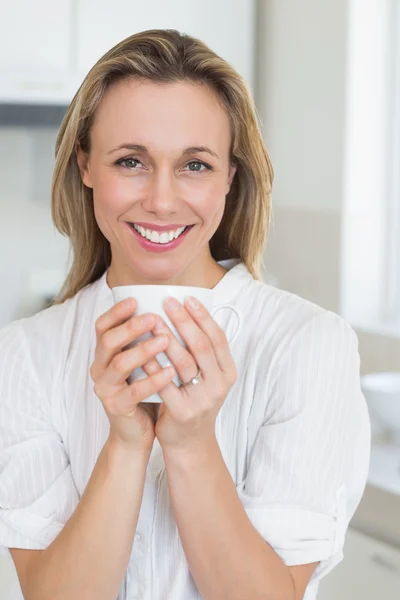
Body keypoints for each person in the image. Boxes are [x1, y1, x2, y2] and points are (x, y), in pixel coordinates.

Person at [0, 29, 370, 600]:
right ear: (85, 165)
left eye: (195, 165)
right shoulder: (25, 354)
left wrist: (192, 443)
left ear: (230, 176)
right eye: (131, 161)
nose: (163, 200)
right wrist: (124, 446)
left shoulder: (307, 345)